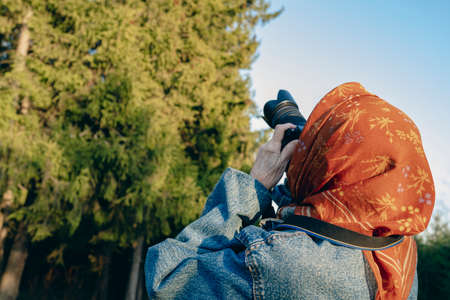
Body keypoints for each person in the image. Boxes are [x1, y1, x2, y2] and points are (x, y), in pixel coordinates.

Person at [145, 82, 434, 299]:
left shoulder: (283, 264)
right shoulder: (397, 248)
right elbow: (319, 222)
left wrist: (256, 183)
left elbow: (168, 278)